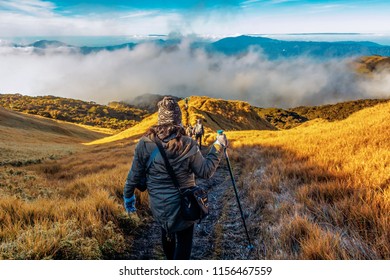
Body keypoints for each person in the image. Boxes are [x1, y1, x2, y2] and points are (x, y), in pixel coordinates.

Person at [123, 96, 228, 260]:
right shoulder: (188, 143)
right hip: (184, 205)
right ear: (179, 120)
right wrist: (218, 146)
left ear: (159, 120)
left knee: (166, 231)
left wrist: (128, 197)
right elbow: (206, 172)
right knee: (184, 241)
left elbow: (133, 175)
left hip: (158, 206)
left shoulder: (144, 143)